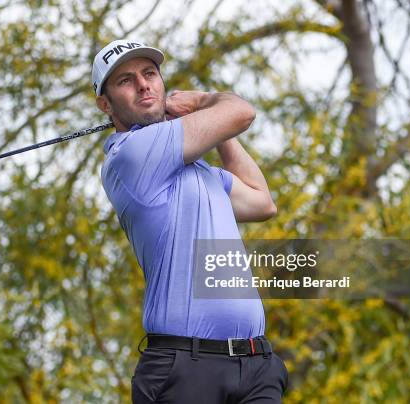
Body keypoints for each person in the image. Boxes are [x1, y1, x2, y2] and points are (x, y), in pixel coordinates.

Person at [92, 39, 288, 403]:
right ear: (106, 104)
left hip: (256, 363)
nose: (143, 85)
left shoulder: (197, 171)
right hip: (185, 368)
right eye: (126, 81)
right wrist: (200, 102)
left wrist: (205, 127)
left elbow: (262, 202)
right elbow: (240, 112)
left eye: (150, 74)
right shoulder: (132, 156)